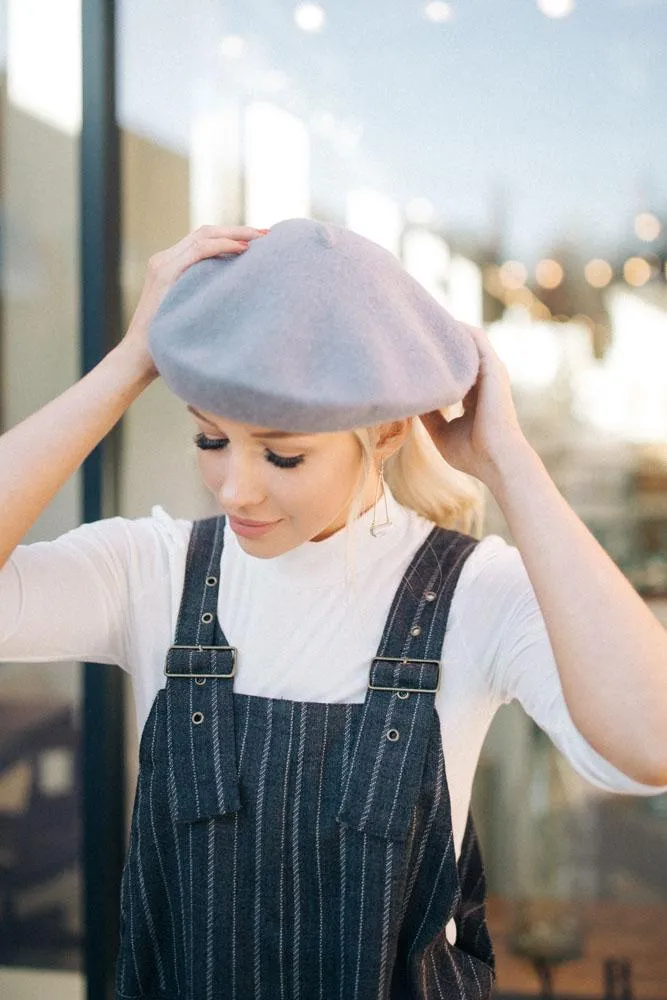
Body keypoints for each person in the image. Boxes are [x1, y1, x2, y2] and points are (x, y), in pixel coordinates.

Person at [1, 220, 666, 1000]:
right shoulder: (154, 573)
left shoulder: (471, 593)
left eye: (282, 454)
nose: (235, 488)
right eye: (210, 439)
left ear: (383, 432)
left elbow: (645, 743)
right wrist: (125, 364)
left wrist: (509, 466)